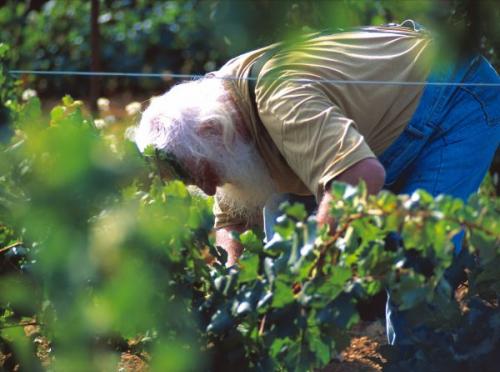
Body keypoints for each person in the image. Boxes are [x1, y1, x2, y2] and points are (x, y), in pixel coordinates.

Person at [133, 20, 500, 346]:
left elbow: (360, 176)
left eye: (208, 175)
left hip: (456, 94)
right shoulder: (220, 108)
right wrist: (231, 287)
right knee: (284, 217)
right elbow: (231, 219)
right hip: (384, 122)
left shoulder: (282, 100)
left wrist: (306, 275)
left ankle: (424, 356)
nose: (212, 188)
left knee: (416, 257)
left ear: (212, 130)